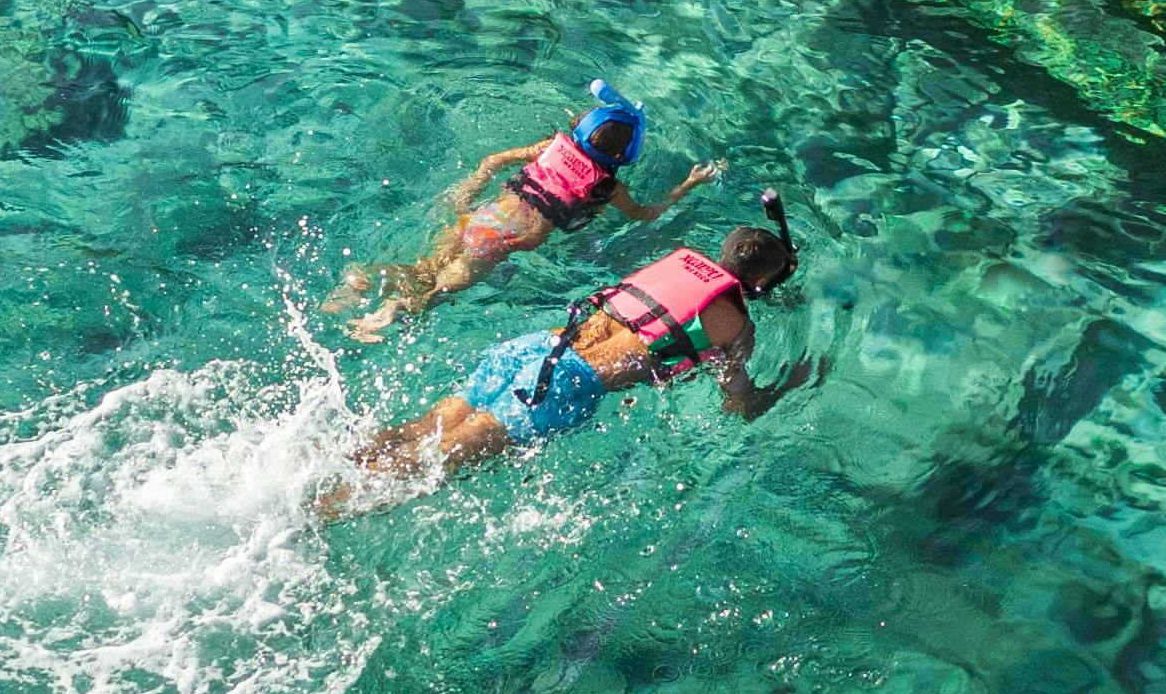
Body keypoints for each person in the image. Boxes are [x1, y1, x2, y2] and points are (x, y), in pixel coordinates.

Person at [321, 201, 821, 514]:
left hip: (535, 345)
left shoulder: (678, 261)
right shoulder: (735, 320)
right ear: (760, 285)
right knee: (439, 461)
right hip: (562, 386)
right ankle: (318, 509)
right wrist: (795, 383)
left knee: (426, 428)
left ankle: (322, 464)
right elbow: (738, 405)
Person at [330, 79, 723, 338]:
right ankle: (391, 310)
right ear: (624, 154)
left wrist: (465, 194)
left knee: (424, 267)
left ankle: (363, 280)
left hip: (482, 216)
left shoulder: (550, 147)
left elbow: (490, 162)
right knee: (436, 291)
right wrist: (688, 184)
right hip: (504, 240)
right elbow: (646, 214)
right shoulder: (609, 187)